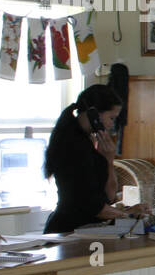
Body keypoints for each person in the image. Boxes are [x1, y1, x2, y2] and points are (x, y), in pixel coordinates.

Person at [43, 85, 146, 232]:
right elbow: (93, 206)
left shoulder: (87, 141)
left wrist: (108, 160)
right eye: (111, 118)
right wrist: (127, 214)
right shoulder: (72, 143)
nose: (111, 125)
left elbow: (109, 197)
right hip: (69, 229)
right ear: (93, 114)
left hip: (82, 228)